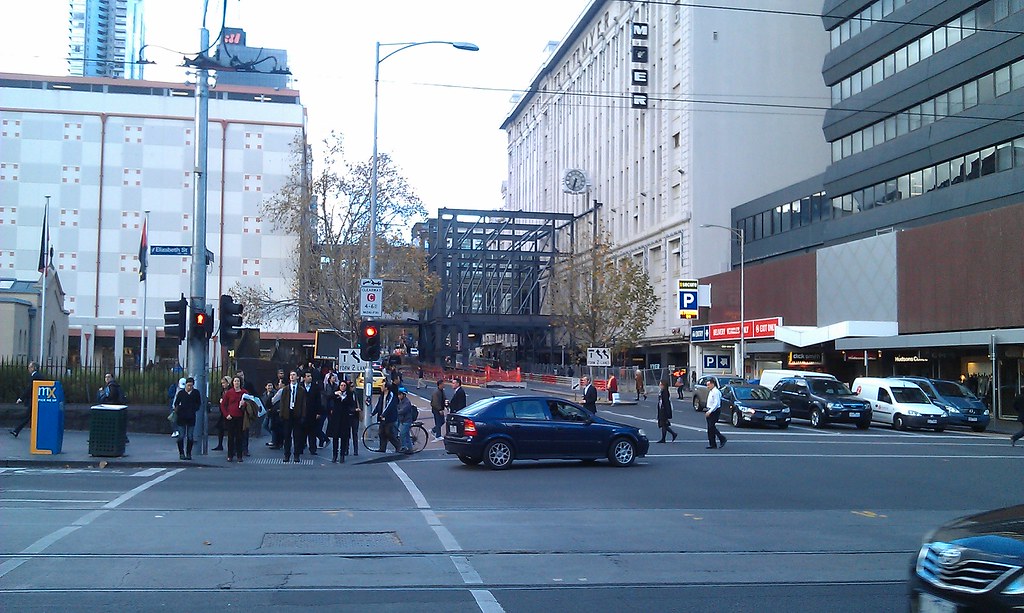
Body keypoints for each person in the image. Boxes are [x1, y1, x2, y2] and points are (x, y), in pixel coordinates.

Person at [279, 370, 306, 463]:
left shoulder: (301, 389)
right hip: (287, 414)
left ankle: (296, 455)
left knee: (297, 436)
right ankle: (286, 455)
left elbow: (303, 404)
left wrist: (303, 415)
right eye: (291, 375)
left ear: (297, 377)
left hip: (297, 414)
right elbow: (282, 402)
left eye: (294, 375)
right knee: (287, 436)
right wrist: (281, 414)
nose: (292, 377)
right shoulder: (286, 389)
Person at [326, 380, 356, 463]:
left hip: (345, 418)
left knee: (344, 438)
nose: (342, 387)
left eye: (344, 385)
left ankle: (342, 455)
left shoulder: (349, 395)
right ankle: (334, 455)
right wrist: (336, 394)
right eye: (341, 385)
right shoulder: (336, 393)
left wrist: (343, 397)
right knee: (335, 438)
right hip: (336, 418)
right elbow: (328, 397)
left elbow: (351, 403)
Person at [10, 361, 42, 438]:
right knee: (29, 417)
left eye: (30, 367)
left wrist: (21, 398)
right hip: (35, 400)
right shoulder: (37, 376)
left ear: (34, 368)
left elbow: (29, 389)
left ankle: (16, 431)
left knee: (27, 416)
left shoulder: (35, 376)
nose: (29, 369)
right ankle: (16, 431)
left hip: (34, 400)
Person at [173, 377, 202, 460]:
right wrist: (179, 409)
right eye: (188, 385)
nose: (189, 387)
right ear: (185, 385)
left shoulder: (196, 393)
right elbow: (176, 403)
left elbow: (198, 403)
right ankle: (181, 453)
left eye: (191, 386)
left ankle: (189, 453)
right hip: (181, 417)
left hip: (191, 417)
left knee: (190, 436)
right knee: (181, 436)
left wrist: (194, 409)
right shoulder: (181, 393)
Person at [220, 376, 246, 462]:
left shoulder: (244, 392)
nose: (236, 383)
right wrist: (226, 415)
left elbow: (250, 404)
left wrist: (244, 404)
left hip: (240, 417)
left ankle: (239, 455)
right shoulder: (229, 393)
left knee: (239, 437)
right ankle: (230, 455)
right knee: (230, 437)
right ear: (233, 383)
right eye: (235, 381)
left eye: (238, 381)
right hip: (231, 417)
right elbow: (223, 405)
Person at [371, 383, 401, 453]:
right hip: (382, 418)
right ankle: (382, 448)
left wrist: (384, 414)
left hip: (389, 418)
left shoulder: (391, 395)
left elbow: (389, 406)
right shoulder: (381, 396)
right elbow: (378, 405)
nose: (381, 387)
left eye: (382, 386)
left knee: (388, 433)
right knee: (381, 433)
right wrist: (373, 413)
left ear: (386, 388)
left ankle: (398, 446)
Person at [301, 370, 326, 453]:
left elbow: (318, 400)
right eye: (307, 376)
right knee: (302, 432)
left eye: (310, 376)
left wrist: (319, 412)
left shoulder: (315, 387)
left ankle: (312, 449)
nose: (310, 378)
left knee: (312, 432)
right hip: (303, 412)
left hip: (313, 412)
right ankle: (301, 447)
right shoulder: (300, 387)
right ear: (304, 378)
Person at [703, 378, 727, 450]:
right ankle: (712, 444)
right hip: (710, 409)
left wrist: (710, 411)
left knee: (711, 427)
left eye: (708, 385)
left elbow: (716, 403)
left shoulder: (716, 392)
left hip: (714, 411)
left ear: (713, 384)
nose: (707, 386)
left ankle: (722, 438)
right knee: (710, 428)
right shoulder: (711, 391)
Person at [212, 376, 230, 451]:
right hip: (223, 412)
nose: (223, 384)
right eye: (222, 383)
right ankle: (220, 444)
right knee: (220, 428)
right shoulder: (222, 391)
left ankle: (231, 446)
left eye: (224, 383)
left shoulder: (229, 391)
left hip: (228, 411)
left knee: (230, 430)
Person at [396, 387, 417, 454]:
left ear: (404, 395)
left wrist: (396, 411)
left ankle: (404, 447)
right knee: (407, 435)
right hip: (403, 420)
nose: (399, 396)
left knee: (402, 434)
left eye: (400, 394)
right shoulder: (401, 401)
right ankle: (410, 449)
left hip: (406, 421)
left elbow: (403, 410)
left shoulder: (407, 402)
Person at [263, 381, 283, 449]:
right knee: (265, 425)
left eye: (271, 385)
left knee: (272, 427)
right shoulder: (264, 394)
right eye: (268, 386)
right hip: (267, 412)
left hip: (273, 412)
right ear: (265, 387)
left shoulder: (275, 393)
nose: (270, 387)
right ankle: (275, 438)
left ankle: (275, 440)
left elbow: (275, 402)